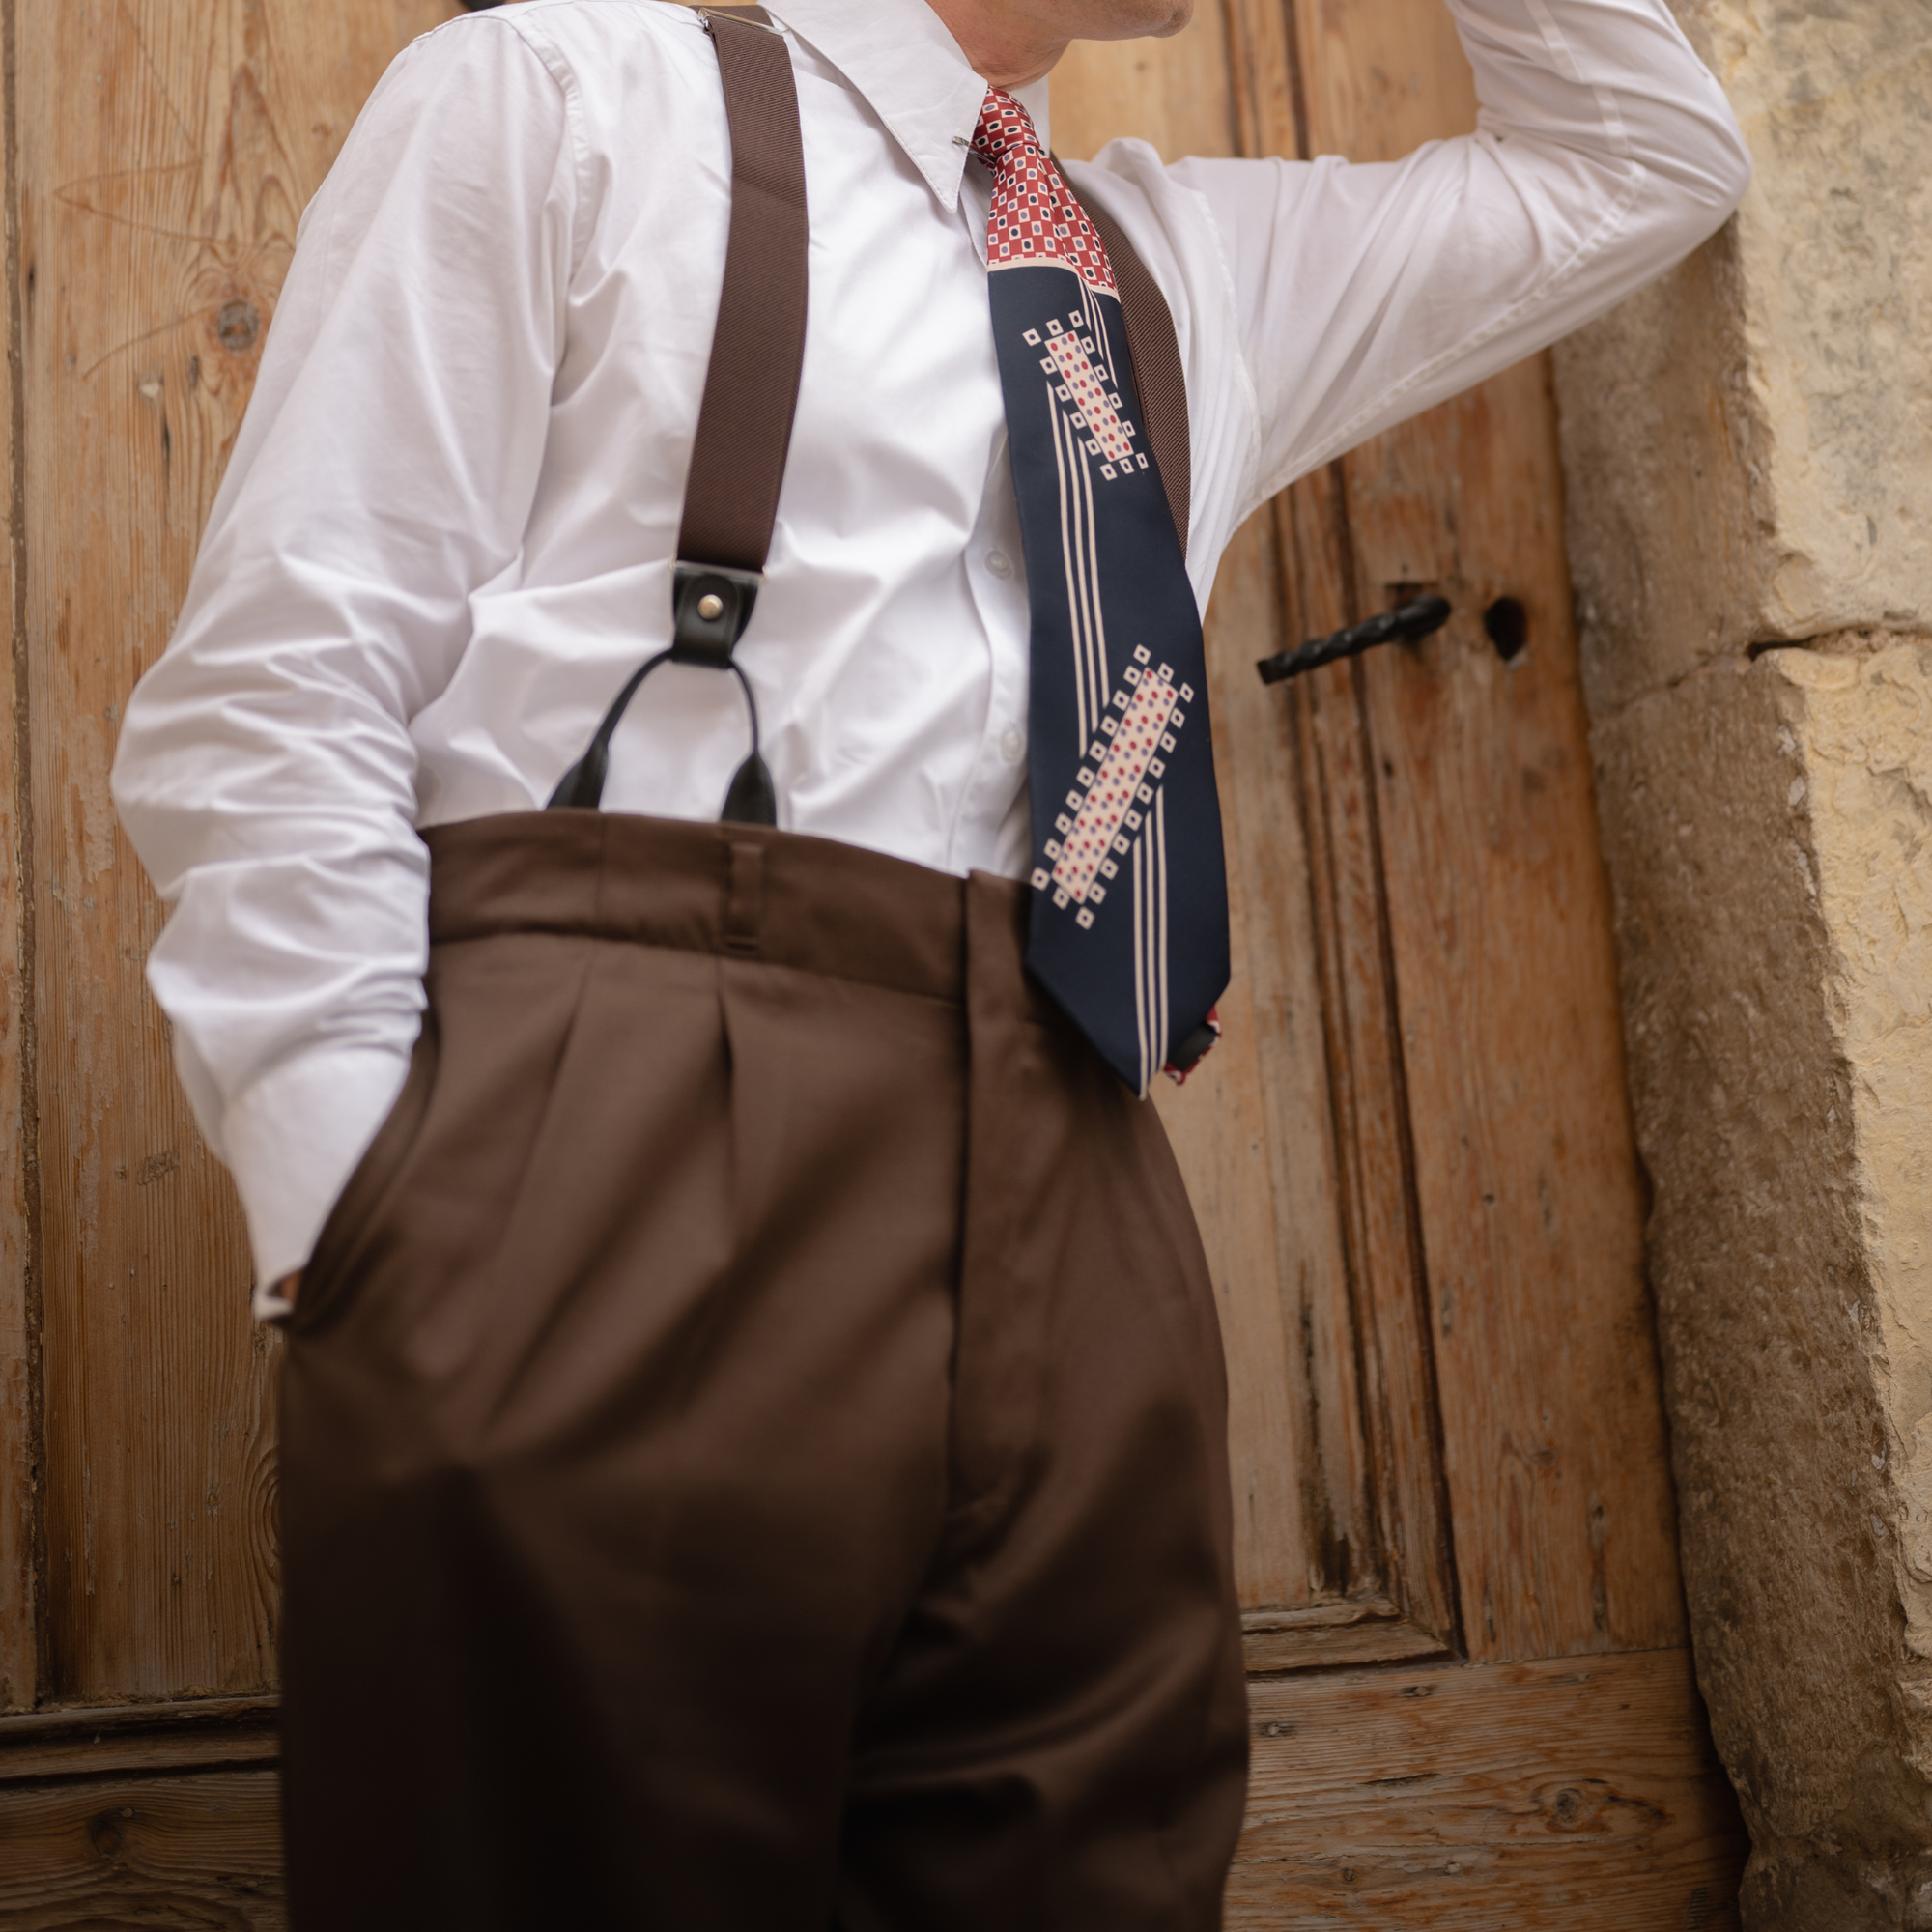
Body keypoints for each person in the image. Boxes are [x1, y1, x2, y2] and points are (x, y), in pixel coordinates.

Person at [110, 0, 1749, 1922]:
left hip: (1078, 1179)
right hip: (599, 1149)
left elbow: (1643, 159)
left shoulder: (1183, 261)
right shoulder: (564, 94)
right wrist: (368, 1248)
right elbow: (280, 685)